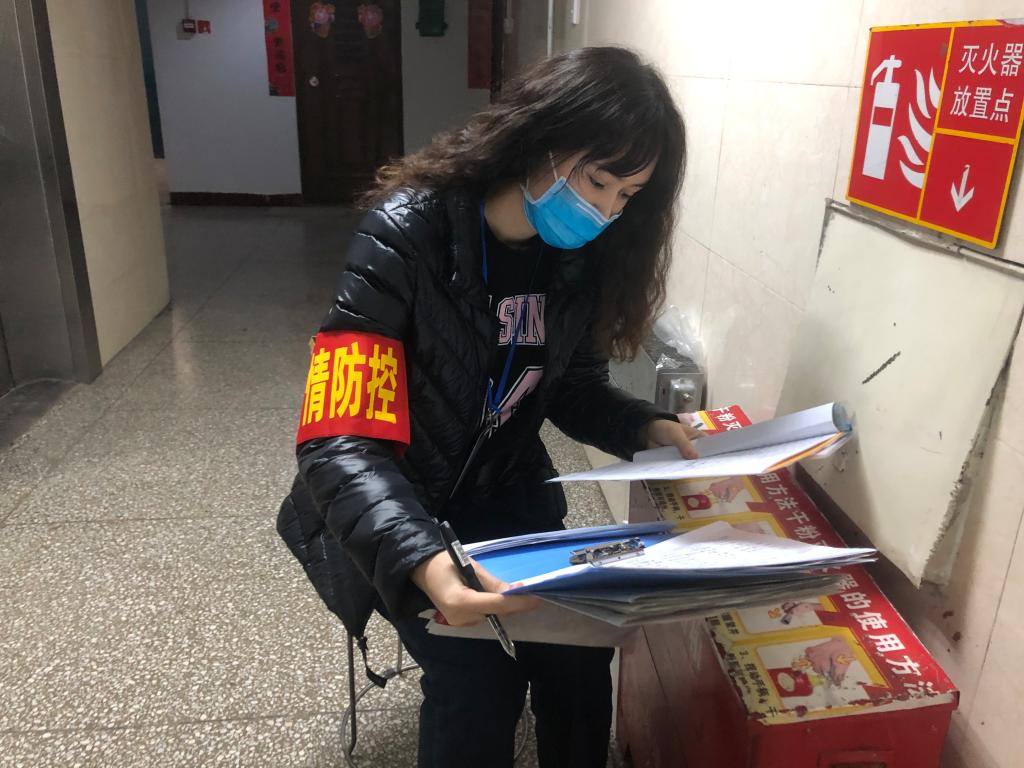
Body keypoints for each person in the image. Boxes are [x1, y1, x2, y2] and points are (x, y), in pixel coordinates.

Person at [277, 46, 700, 768]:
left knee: (580, 649)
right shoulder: (406, 233)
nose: (605, 212)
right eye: (598, 181)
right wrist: (423, 559)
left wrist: (644, 425)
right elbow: (341, 438)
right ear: (538, 138)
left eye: (627, 196)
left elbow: (570, 386)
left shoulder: (579, 259)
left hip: (507, 494)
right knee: (477, 681)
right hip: (403, 499)